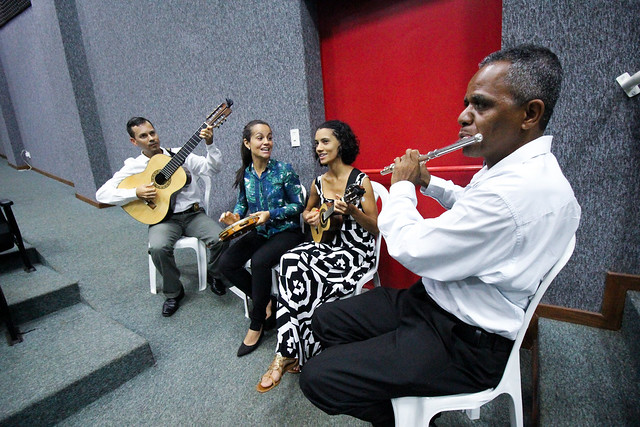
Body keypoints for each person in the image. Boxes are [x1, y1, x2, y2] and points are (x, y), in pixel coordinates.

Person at [298, 45, 582, 425]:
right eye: (467, 102)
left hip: (465, 341)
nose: (463, 116)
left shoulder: (515, 194)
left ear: (529, 114)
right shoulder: (518, 170)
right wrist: (429, 182)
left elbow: (412, 248)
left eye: (481, 105)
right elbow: (474, 211)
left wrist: (400, 187)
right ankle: (396, 388)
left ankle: (401, 416)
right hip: (435, 302)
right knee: (325, 321)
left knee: (318, 379)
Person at [257, 120, 379, 393]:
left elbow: (374, 227)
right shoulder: (318, 183)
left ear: (341, 144)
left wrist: (354, 213)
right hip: (328, 247)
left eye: (325, 142)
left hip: (355, 253)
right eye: (316, 143)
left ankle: (291, 352)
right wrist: (311, 216)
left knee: (302, 271)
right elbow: (307, 213)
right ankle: (290, 350)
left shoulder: (360, 181)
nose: (318, 148)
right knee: (290, 260)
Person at [96, 117, 227, 317]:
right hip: (163, 219)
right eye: (143, 136)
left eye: (152, 133)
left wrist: (210, 144)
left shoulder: (180, 155)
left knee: (221, 238)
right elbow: (101, 194)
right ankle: (174, 292)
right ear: (134, 141)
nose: (150, 138)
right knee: (158, 248)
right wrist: (135, 193)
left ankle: (215, 274)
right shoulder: (135, 166)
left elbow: (213, 168)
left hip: (192, 214)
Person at [218, 120, 305, 357]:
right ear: (247, 143)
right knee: (226, 263)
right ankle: (264, 300)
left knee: (260, 261)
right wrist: (234, 216)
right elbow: (242, 205)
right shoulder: (246, 174)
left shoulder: (284, 170)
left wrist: (271, 214)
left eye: (269, 137)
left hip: (287, 232)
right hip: (261, 232)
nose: (266, 142)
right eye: (259, 137)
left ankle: (257, 322)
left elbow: (299, 206)